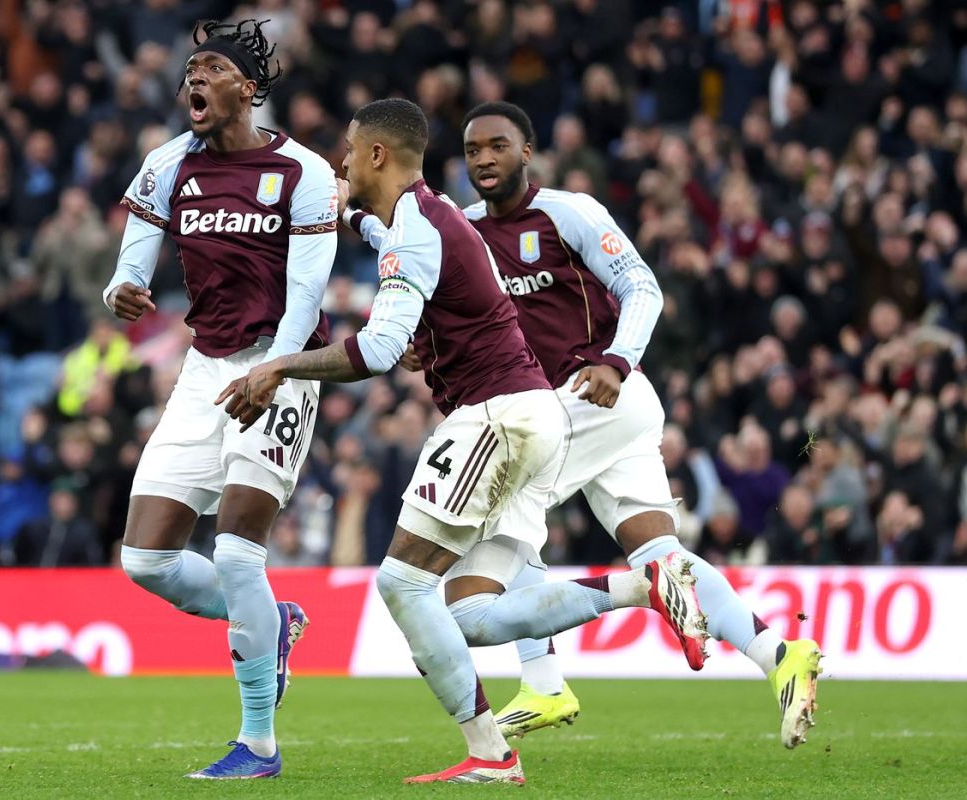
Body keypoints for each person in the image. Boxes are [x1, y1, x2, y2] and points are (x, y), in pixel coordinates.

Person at [226, 98, 707, 785]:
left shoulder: (418, 227)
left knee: (401, 583)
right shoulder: (426, 217)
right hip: (524, 416)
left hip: (495, 418)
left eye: (349, 150)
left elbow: (380, 348)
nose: (340, 162)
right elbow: (395, 247)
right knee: (472, 616)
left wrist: (278, 365)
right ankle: (644, 585)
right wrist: (354, 215)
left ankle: (491, 753)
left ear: (377, 156)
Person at [359, 102, 821, 748]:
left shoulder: (568, 212)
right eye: (472, 150)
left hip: (587, 396)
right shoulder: (459, 229)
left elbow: (642, 286)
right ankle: (779, 655)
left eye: (498, 145)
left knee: (490, 542)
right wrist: (419, 345)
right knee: (662, 556)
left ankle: (545, 681)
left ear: (529, 151)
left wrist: (617, 360)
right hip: (579, 411)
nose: (484, 159)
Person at [101, 20, 339, 780]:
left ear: (249, 88)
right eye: (188, 72)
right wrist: (122, 290)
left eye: (209, 70)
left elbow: (307, 296)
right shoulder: (169, 164)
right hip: (205, 370)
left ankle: (258, 743)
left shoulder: (301, 172)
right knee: (145, 559)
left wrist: (272, 372)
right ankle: (274, 623)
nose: (192, 83)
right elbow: (130, 262)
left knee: (237, 553)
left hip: (283, 366)